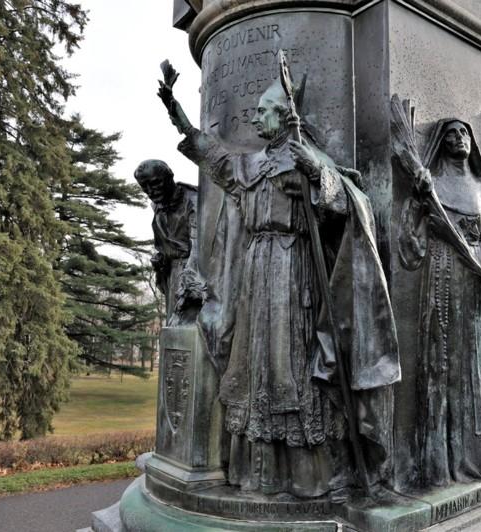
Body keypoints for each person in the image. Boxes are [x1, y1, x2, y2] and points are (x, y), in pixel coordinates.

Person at [157, 69, 400, 500]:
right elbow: (214, 157)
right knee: (257, 367)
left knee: (290, 366)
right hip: (256, 272)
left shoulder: (306, 158)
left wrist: (319, 178)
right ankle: (259, 474)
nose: (256, 119)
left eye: (265, 112)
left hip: (293, 270)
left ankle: (312, 476)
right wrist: (178, 116)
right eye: (256, 112)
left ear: (286, 117)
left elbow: (349, 203)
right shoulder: (251, 164)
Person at [398, 118, 481, 487]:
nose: (459, 138)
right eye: (450, 133)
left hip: (478, 281)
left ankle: (479, 454)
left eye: (464, 133)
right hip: (444, 275)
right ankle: (439, 461)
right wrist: (418, 201)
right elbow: (410, 247)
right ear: (441, 143)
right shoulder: (431, 185)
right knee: (443, 363)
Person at [134, 159, 202, 325]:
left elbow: (200, 245)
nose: (151, 190)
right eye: (145, 187)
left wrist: (189, 279)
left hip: (195, 272)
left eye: (155, 183)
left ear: (169, 176)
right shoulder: (157, 205)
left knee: (189, 326)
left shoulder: (195, 201)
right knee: (174, 328)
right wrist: (161, 260)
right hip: (172, 275)